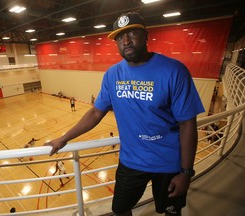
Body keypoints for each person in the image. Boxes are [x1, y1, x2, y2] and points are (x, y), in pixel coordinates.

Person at [45, 12, 204, 216]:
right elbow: (95, 113)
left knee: (171, 212)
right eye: (120, 37)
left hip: (168, 163)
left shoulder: (174, 71)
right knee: (120, 210)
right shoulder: (112, 74)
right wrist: (63, 139)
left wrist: (186, 172)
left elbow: (187, 124)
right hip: (131, 162)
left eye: (131, 33)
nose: (126, 41)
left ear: (146, 36)